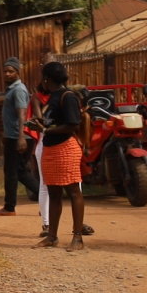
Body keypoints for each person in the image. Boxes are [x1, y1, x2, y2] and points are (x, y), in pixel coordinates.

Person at [34, 61, 87, 250]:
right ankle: (52, 236)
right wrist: (41, 127)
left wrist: (46, 131)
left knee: (73, 191)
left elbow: (73, 125)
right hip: (50, 150)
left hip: (65, 149)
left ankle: (78, 238)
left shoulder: (68, 96)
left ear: (47, 79)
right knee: (54, 193)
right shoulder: (53, 97)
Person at [0, 57, 40, 217]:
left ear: (18, 73)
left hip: (20, 138)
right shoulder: (11, 89)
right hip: (13, 136)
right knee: (18, 171)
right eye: (5, 71)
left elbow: (22, 115)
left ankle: (9, 207)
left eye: (11, 71)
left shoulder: (18, 90)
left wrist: (20, 137)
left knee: (13, 172)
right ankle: (48, 198)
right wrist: (7, 135)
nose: (7, 74)